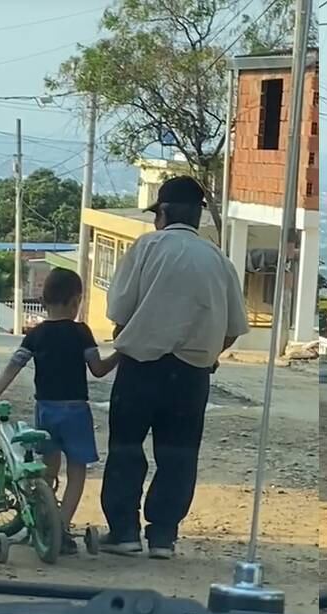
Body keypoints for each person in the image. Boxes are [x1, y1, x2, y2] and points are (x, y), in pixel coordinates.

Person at [100, 175, 250, 560]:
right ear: (198, 216)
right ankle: (163, 536)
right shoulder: (218, 260)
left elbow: (119, 312)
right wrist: (208, 354)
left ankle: (124, 531)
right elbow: (233, 330)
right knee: (178, 456)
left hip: (139, 368)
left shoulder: (147, 247)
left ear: (163, 212)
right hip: (192, 375)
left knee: (126, 448)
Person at [0, 268, 118, 555]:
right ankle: (62, 527)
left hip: (45, 411)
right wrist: (122, 353)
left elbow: (13, 367)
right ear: (76, 301)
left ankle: (43, 520)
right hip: (75, 413)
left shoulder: (36, 335)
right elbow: (98, 369)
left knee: (48, 469)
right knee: (77, 471)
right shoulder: (81, 333)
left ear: (43, 301)